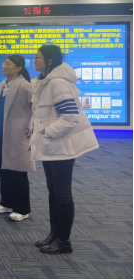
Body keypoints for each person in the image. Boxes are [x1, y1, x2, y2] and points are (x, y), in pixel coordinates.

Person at [29, 45, 99, 254]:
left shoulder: (58, 83)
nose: (34, 61)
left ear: (49, 61)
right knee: (53, 192)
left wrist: (47, 132)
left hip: (61, 146)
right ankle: (54, 233)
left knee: (62, 193)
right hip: (50, 146)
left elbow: (70, 118)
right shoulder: (42, 82)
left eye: (38, 57)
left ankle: (64, 241)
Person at [0, 55, 35, 222]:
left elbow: (37, 108)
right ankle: (7, 203)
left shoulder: (26, 86)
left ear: (18, 68)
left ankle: (23, 209)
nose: (5, 66)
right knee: (4, 168)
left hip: (19, 133)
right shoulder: (1, 85)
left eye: (9, 64)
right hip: (2, 132)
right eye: (4, 63)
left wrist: (31, 126)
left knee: (18, 171)